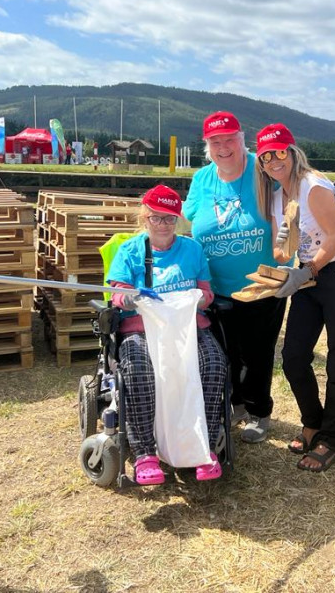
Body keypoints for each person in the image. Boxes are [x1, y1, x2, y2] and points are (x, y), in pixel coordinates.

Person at [253, 123, 335, 473]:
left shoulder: (313, 186)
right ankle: (313, 422)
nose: (274, 160)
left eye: (280, 152)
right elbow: (282, 249)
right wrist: (282, 258)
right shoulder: (276, 196)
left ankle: (332, 440)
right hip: (308, 274)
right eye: (266, 155)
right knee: (293, 356)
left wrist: (309, 269)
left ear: (293, 151)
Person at [106, 184, 227, 485]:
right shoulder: (130, 251)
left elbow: (207, 292)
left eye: (169, 219)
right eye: (156, 218)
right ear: (144, 218)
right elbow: (115, 292)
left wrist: (199, 299)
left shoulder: (193, 250)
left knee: (213, 363)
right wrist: (129, 298)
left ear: (177, 220)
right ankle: (145, 453)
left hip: (188, 327)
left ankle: (204, 447)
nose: (163, 225)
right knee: (138, 369)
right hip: (141, 329)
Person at [182, 112, 284, 443]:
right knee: (224, 352)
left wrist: (331, 193)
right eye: (215, 142)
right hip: (215, 285)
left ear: (243, 139)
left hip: (263, 282)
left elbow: (300, 183)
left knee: (258, 352)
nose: (223, 147)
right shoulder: (201, 179)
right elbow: (184, 222)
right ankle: (235, 403)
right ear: (207, 146)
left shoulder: (263, 168)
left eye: (230, 139)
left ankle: (259, 412)